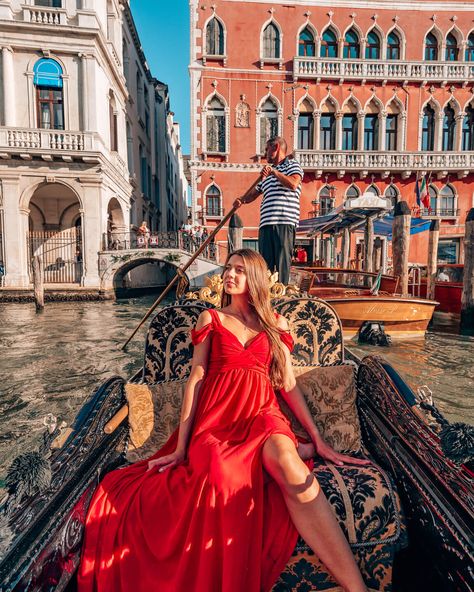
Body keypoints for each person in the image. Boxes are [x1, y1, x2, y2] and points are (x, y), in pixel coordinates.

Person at [77, 248, 369, 592]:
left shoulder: (277, 324)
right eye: (228, 268)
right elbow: (196, 380)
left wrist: (319, 439)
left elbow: (287, 383)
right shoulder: (211, 320)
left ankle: (357, 588)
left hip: (263, 416)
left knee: (291, 469)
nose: (230, 275)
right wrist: (180, 447)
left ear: (255, 278)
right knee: (221, 476)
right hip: (216, 424)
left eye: (239, 270)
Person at [233, 137, 304, 284]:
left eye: (267, 149)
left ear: (276, 147)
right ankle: (266, 298)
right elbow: (254, 193)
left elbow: (294, 184)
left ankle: (282, 296)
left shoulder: (292, 165)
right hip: (266, 224)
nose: (265, 153)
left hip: (284, 222)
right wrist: (242, 199)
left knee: (282, 265)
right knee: (265, 267)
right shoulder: (266, 175)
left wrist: (274, 172)